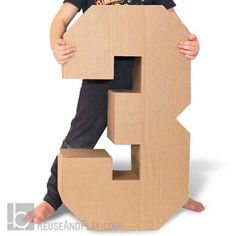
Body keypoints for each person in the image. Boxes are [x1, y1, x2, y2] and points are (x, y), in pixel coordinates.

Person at [26, 0, 205, 224]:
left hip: (150, 70)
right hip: (101, 73)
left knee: (159, 135)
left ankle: (171, 194)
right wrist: (56, 42)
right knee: (81, 136)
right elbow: (61, 19)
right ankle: (52, 198)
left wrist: (191, 45)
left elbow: (174, 26)